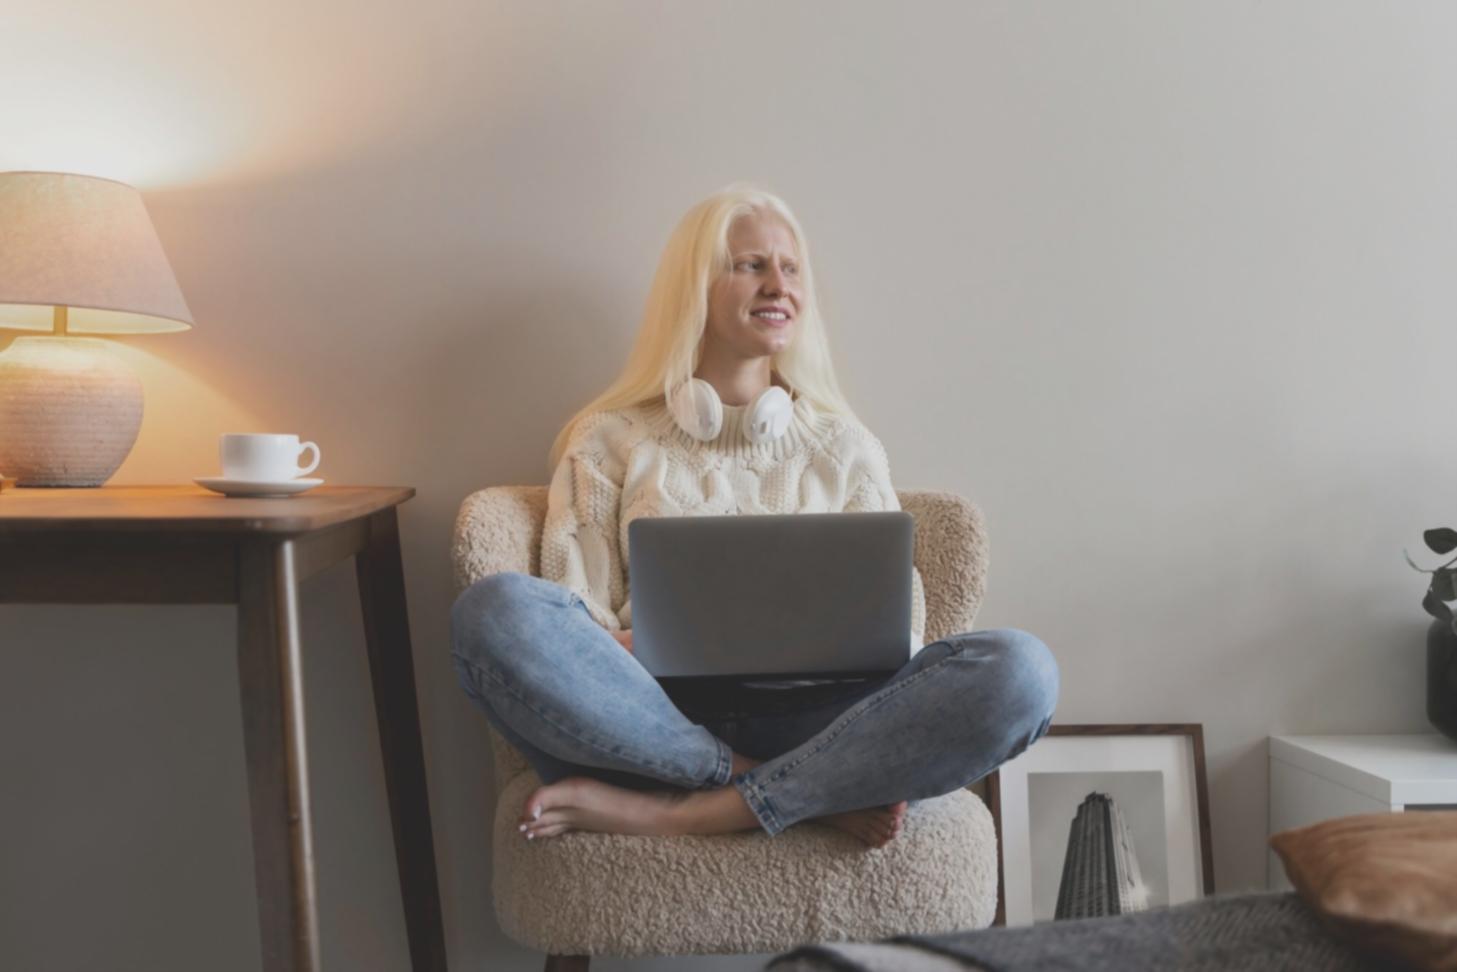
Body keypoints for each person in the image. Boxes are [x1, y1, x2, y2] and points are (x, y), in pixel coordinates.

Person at [452, 184, 1058, 848]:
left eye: (790, 268)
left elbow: (900, 639)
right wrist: (637, 644)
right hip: (646, 716)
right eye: (751, 265)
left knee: (1022, 670)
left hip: (820, 722)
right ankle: (786, 789)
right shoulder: (606, 440)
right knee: (495, 611)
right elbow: (573, 618)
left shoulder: (847, 448)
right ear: (696, 288)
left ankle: (688, 809)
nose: (779, 285)